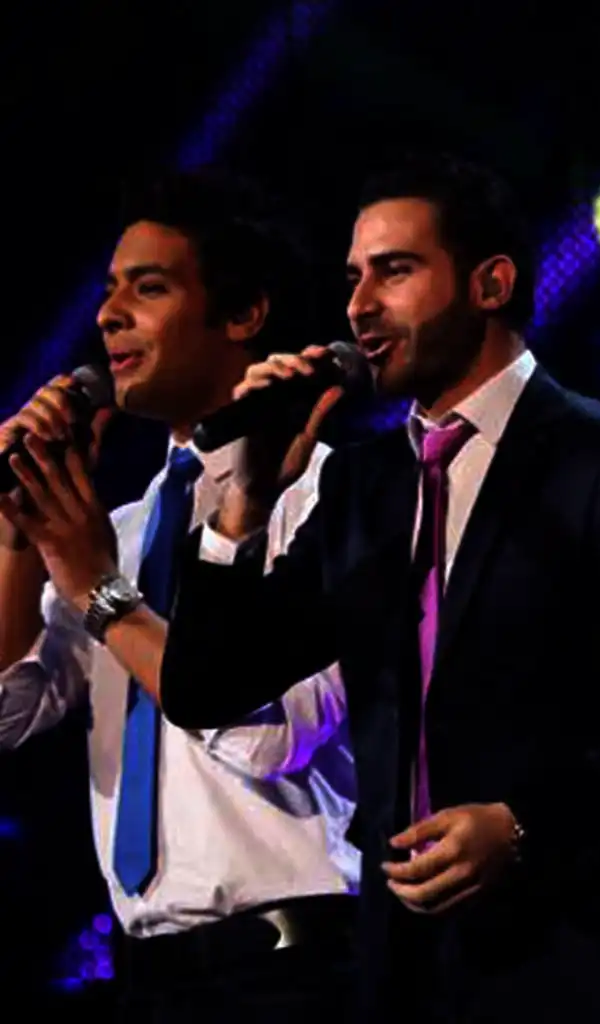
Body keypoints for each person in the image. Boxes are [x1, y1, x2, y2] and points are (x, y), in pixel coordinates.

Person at [150, 153, 600, 1023]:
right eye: (353, 278)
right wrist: (245, 501)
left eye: (394, 271)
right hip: (409, 972)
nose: (359, 306)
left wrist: (522, 824)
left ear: (490, 283)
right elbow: (206, 686)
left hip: (583, 956)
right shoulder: (363, 487)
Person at [0, 172, 360, 1022]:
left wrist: (98, 593)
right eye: (108, 290)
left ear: (243, 315)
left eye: (149, 288)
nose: (107, 316)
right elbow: (8, 719)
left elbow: (274, 737)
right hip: (147, 976)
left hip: (294, 973)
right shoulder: (118, 532)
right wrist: (18, 535)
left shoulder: (328, 497)